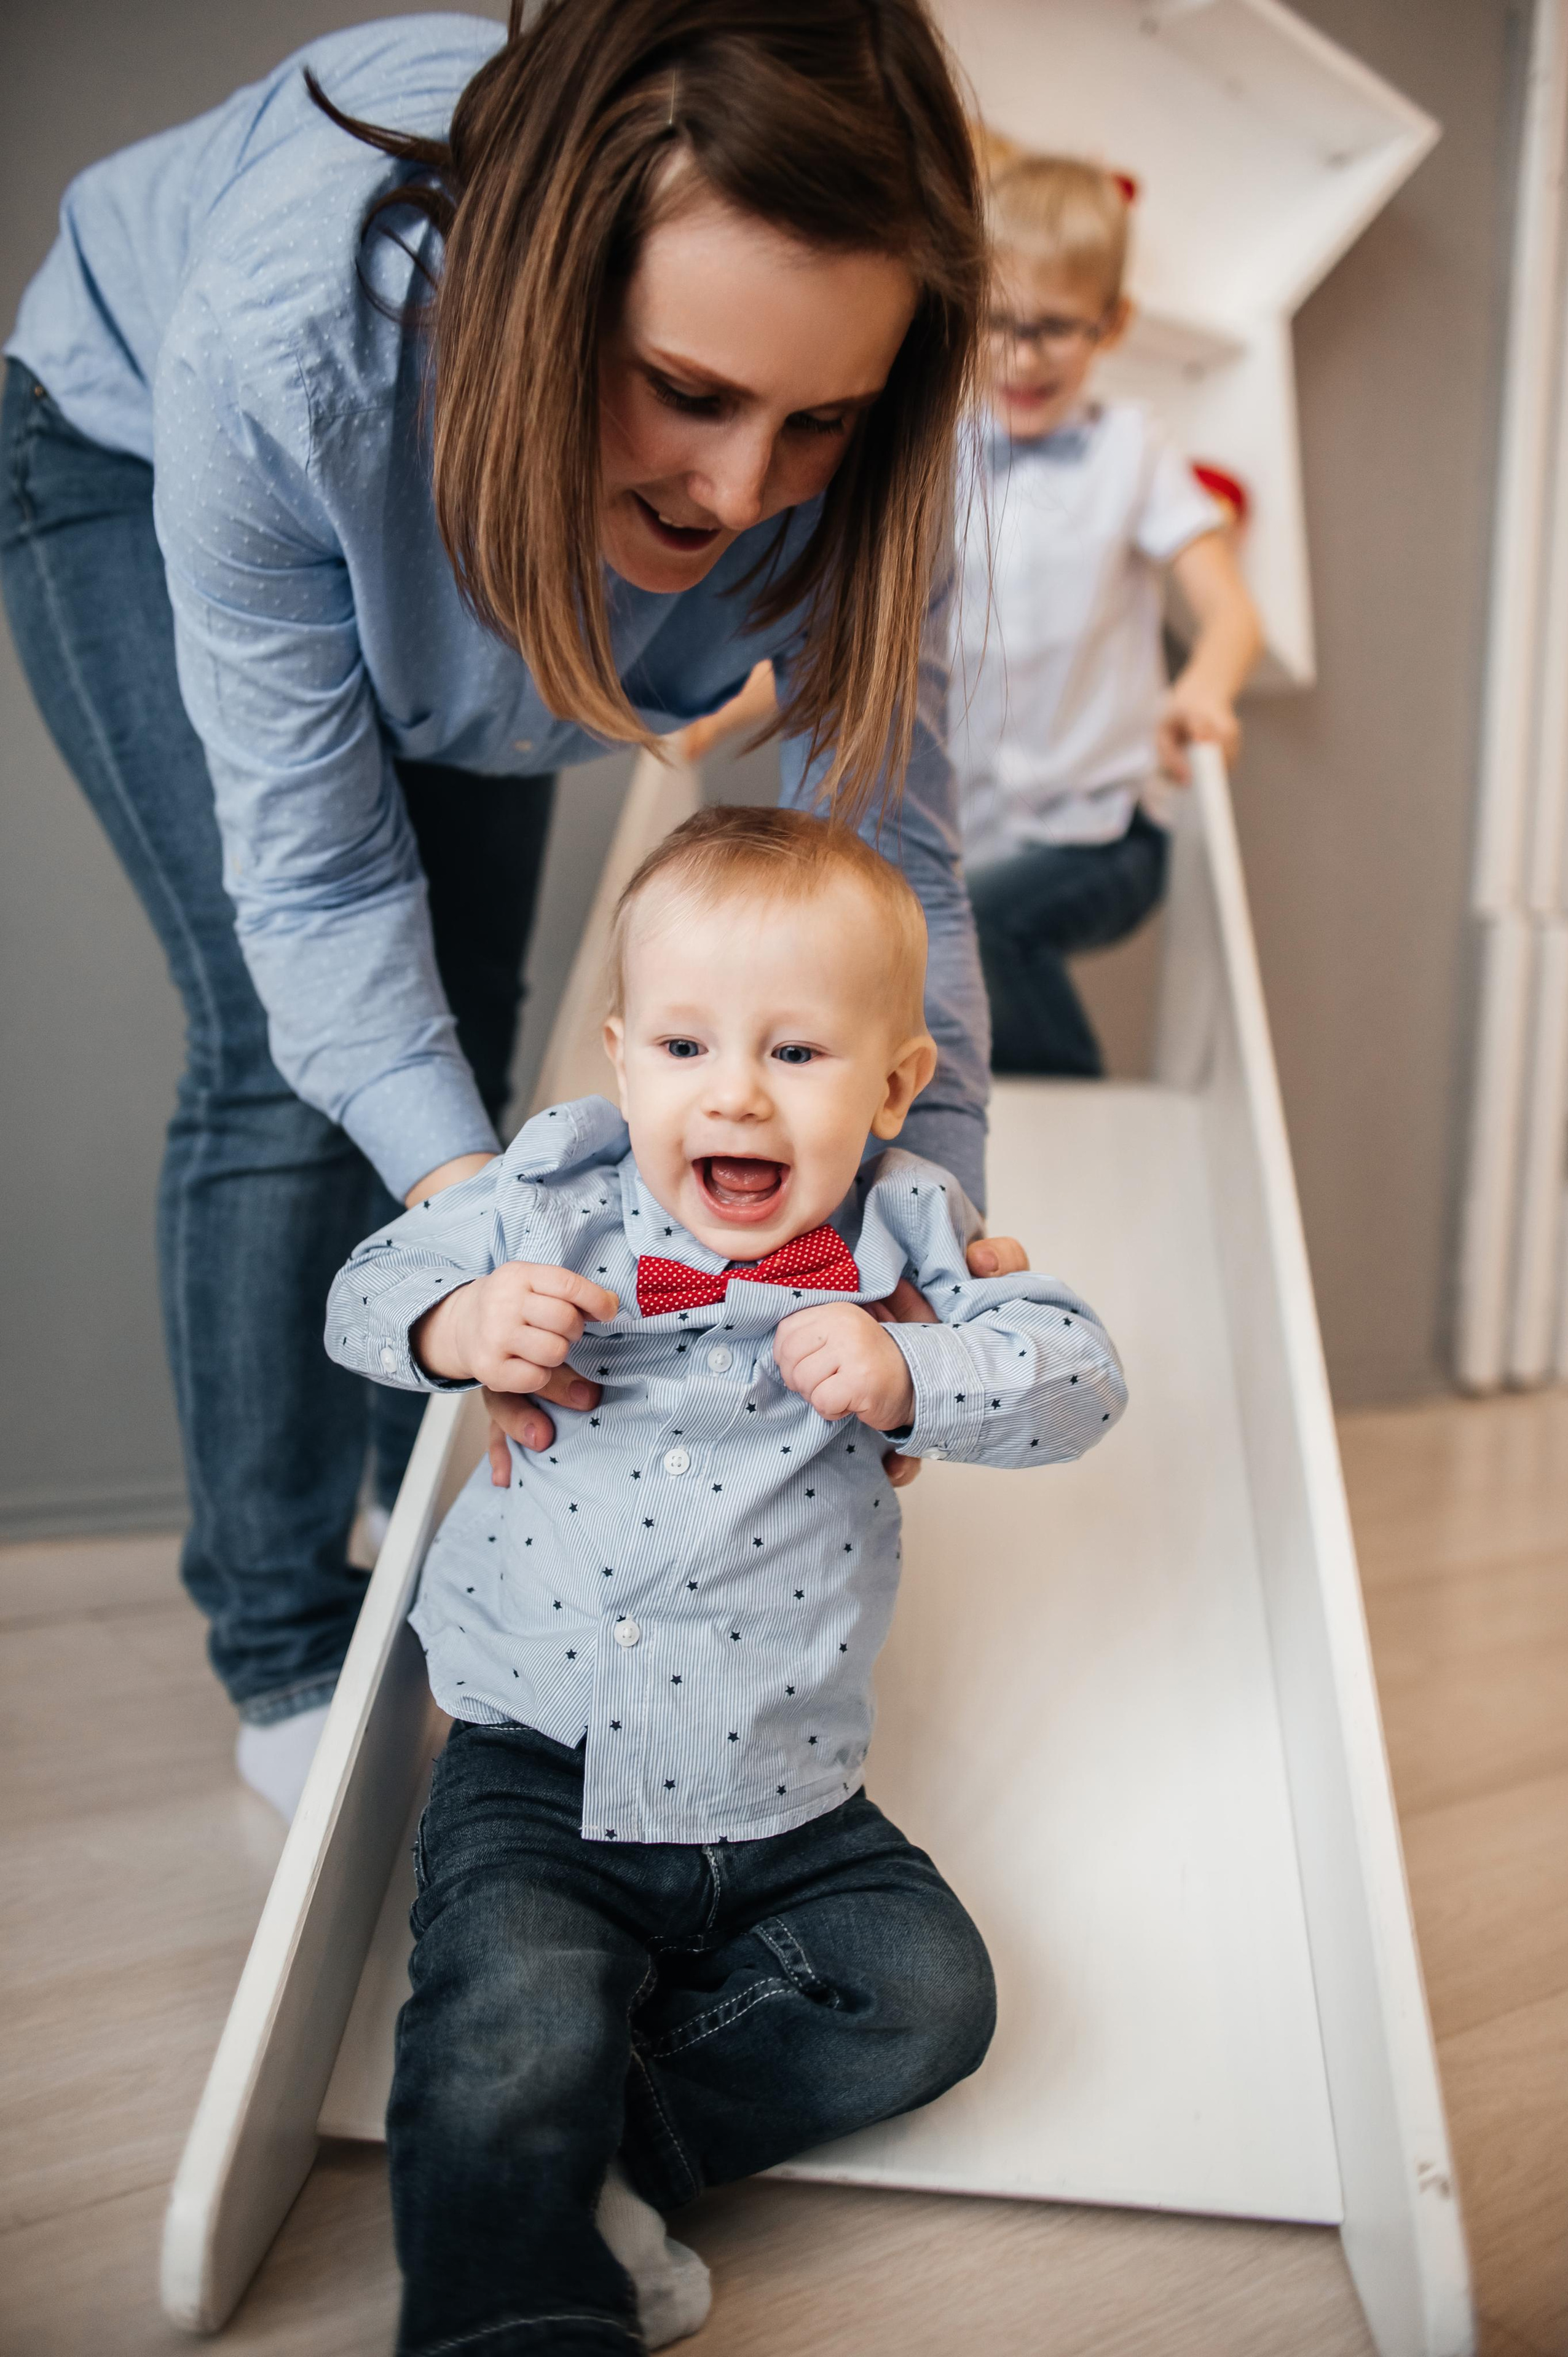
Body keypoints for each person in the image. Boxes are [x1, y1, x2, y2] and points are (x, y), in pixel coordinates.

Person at [0, 1, 1028, 1821]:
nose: (732, 494)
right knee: (281, 1050)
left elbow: (898, 874)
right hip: (132, 445)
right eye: (691, 391)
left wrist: (925, 1223)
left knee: (470, 1012)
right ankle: (283, 1629)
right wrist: (472, 1245)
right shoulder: (288, 336)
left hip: (458, 507)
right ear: (549, 297)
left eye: (820, 422)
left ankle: (445, 1476)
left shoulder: (857, 473)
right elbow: (318, 888)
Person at [328, 805, 1127, 2356]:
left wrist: (915, 1369)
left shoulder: (908, 1235)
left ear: (896, 1086)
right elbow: (366, 1288)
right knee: (509, 2016)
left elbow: (1081, 1377)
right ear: (621, 1059)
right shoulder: (550, 1194)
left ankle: (607, 2158)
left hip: (787, 1801)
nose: (736, 1093)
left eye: (798, 1055)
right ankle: (521, 2313)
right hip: (538, 1769)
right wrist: (458, 1326)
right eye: (685, 1049)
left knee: (927, 1995)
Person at [953, 151, 1264, 1076]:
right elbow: (840, 622)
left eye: (1053, 328)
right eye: (996, 322)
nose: (1020, 354)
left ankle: (1085, 1109)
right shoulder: (936, 456)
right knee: (926, 960)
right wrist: (727, 704)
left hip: (1109, 827)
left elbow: (1231, 614)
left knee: (974, 931)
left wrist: (1203, 694)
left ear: (1113, 324)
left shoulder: (1133, 451)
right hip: (973, 823)